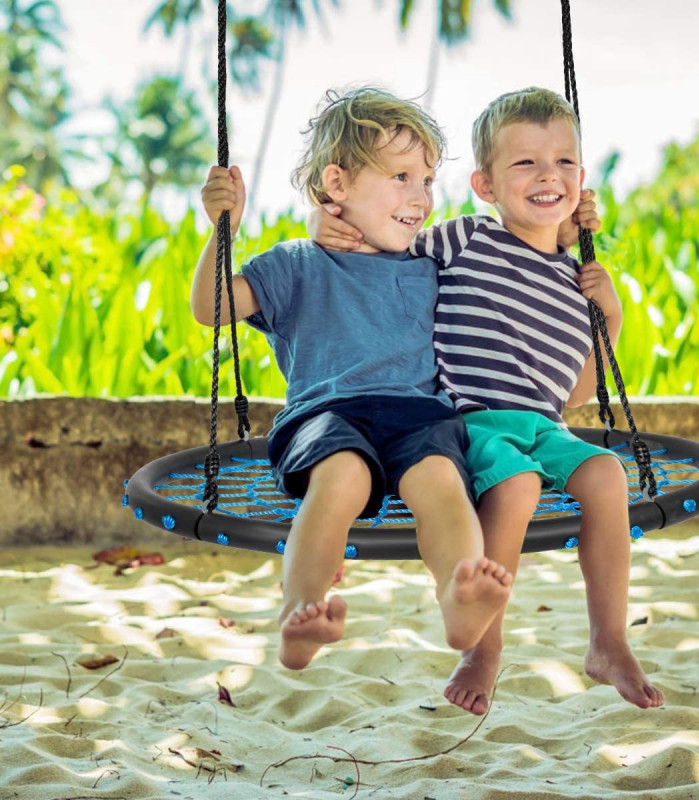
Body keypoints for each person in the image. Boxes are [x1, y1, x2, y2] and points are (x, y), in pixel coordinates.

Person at [309, 87, 665, 712]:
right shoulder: (466, 239)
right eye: (524, 163)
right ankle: (485, 648)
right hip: (470, 420)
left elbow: (577, 392)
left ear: (582, 181)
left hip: (543, 423)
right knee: (520, 486)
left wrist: (610, 316)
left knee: (607, 472)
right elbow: (381, 245)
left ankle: (608, 641)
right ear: (485, 184)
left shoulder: (576, 277)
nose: (547, 175)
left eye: (563, 162)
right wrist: (326, 224)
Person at [190, 87, 513, 672]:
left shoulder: (431, 263)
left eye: (427, 181)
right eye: (401, 177)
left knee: (443, 478)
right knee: (339, 477)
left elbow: (514, 248)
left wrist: (571, 230)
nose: (420, 198)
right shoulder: (297, 262)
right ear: (337, 185)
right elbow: (212, 307)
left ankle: (458, 596)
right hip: (327, 416)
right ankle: (300, 614)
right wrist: (223, 227)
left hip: (419, 415)